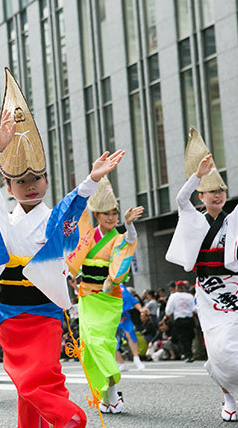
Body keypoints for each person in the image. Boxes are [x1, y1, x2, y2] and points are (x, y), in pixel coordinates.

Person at [0, 69, 125, 428]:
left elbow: (72, 205)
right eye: (20, 182)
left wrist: (92, 179)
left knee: (39, 378)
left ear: (47, 179)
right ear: (9, 186)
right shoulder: (4, 220)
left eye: (36, 179)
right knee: (24, 385)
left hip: (45, 311)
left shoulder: (54, 219)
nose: (30, 186)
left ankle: (70, 418)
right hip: (11, 313)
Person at [165, 129, 238, 422]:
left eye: (222, 191)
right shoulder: (193, 220)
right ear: (202, 195)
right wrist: (197, 176)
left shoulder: (235, 220)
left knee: (232, 345)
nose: (218, 195)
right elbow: (180, 199)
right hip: (206, 292)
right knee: (216, 352)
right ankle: (232, 397)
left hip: (233, 291)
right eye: (212, 191)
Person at [66, 176, 142, 414]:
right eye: (106, 214)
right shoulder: (86, 237)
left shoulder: (119, 236)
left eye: (115, 213)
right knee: (90, 346)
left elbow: (129, 242)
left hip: (109, 300)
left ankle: (110, 393)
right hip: (87, 299)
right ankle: (110, 395)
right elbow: (72, 260)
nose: (112, 218)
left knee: (103, 344)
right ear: (96, 215)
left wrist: (128, 224)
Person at [165, 280, 196, 362]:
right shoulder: (189, 296)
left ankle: (187, 355)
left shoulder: (173, 296)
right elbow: (194, 309)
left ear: (176, 288)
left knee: (183, 338)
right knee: (189, 337)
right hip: (189, 319)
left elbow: (168, 311)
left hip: (180, 319)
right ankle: (190, 354)